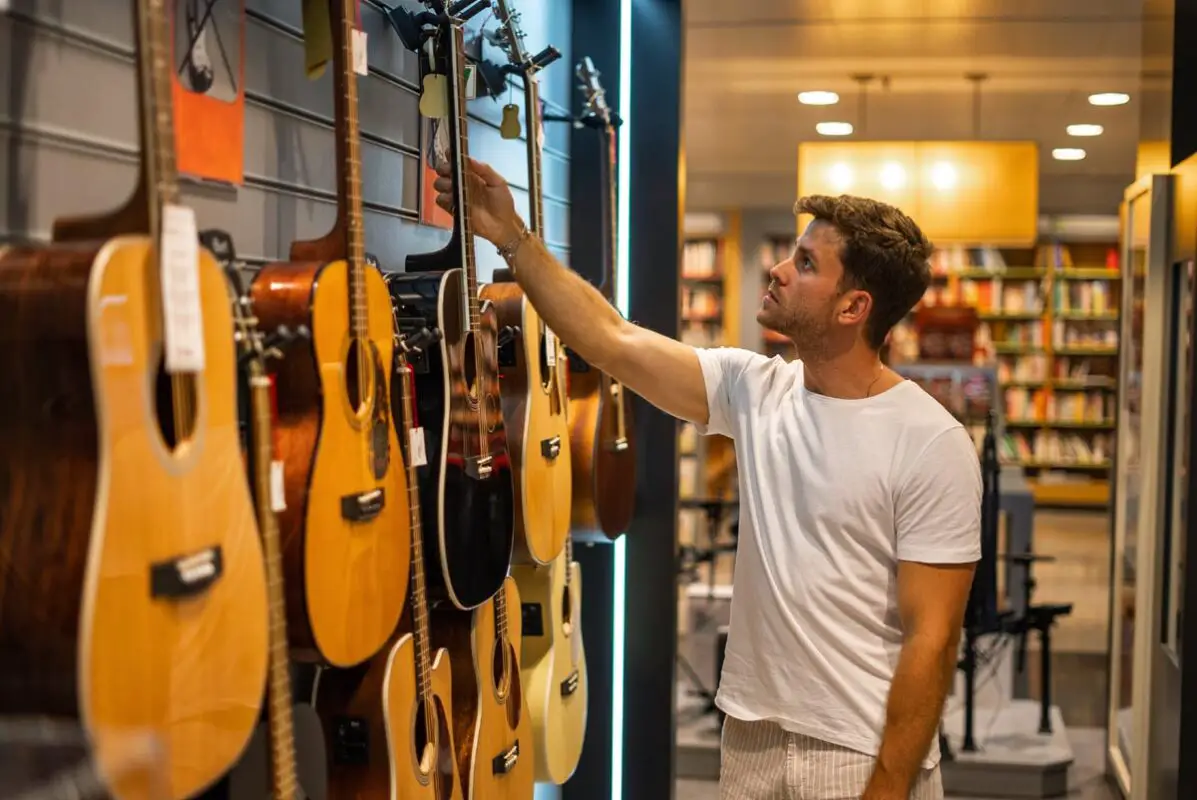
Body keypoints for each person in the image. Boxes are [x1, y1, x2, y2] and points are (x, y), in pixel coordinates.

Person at [433, 158, 981, 800]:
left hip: (857, 753)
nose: (777, 268)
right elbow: (610, 340)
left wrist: (887, 787)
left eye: (805, 263)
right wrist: (514, 239)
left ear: (854, 307)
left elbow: (933, 640)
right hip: (750, 737)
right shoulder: (755, 389)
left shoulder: (929, 442)